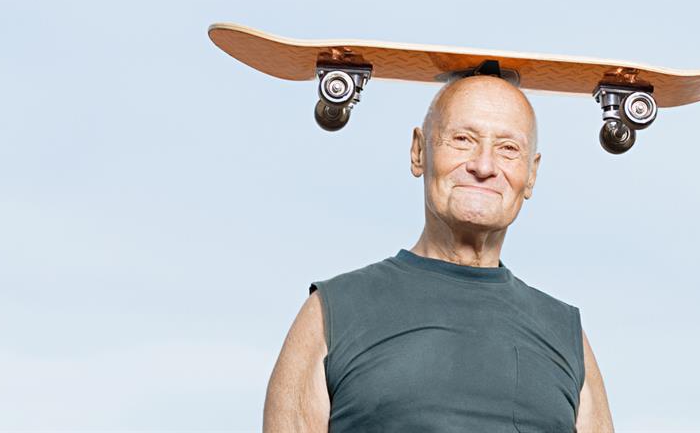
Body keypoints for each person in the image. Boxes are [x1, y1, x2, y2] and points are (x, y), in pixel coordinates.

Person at [263, 74, 614, 433]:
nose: (484, 166)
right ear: (419, 152)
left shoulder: (566, 334)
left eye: (509, 148)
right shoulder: (331, 312)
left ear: (532, 174)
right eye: (462, 140)